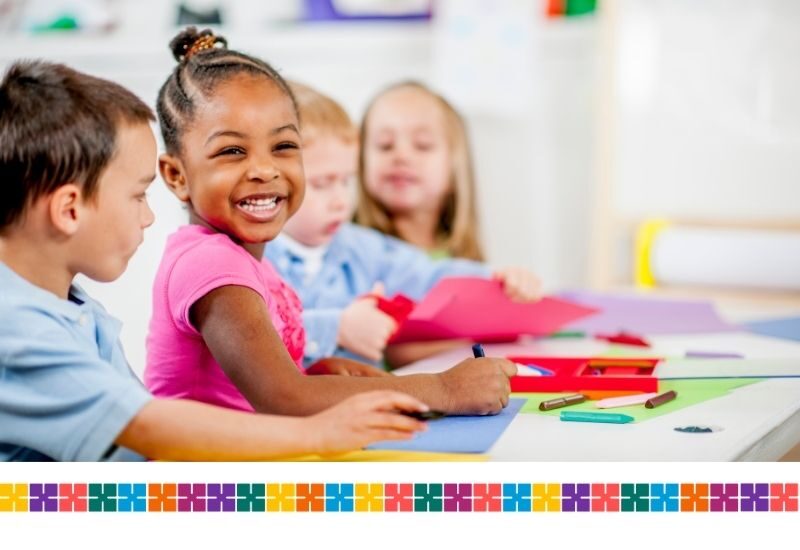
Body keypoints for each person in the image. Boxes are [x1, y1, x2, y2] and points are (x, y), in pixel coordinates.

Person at [0, 59, 429, 461]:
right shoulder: (17, 330)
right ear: (69, 209)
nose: (148, 217)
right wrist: (321, 432)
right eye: (137, 196)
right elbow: (145, 426)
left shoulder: (69, 309)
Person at [145, 28, 517, 417]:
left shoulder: (250, 261)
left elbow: (263, 388)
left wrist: (317, 374)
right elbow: (283, 399)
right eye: (232, 150)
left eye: (284, 146)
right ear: (176, 176)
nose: (264, 169)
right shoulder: (212, 265)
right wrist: (443, 389)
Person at [267, 82, 541, 367]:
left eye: (347, 181)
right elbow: (251, 333)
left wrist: (496, 279)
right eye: (323, 183)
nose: (341, 201)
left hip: (367, 404)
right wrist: (336, 328)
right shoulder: (254, 256)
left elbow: (429, 275)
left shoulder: (362, 246)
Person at [356, 81, 490, 261]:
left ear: (454, 167)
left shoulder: (464, 265)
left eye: (422, 145)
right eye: (385, 145)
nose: (401, 156)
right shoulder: (349, 254)